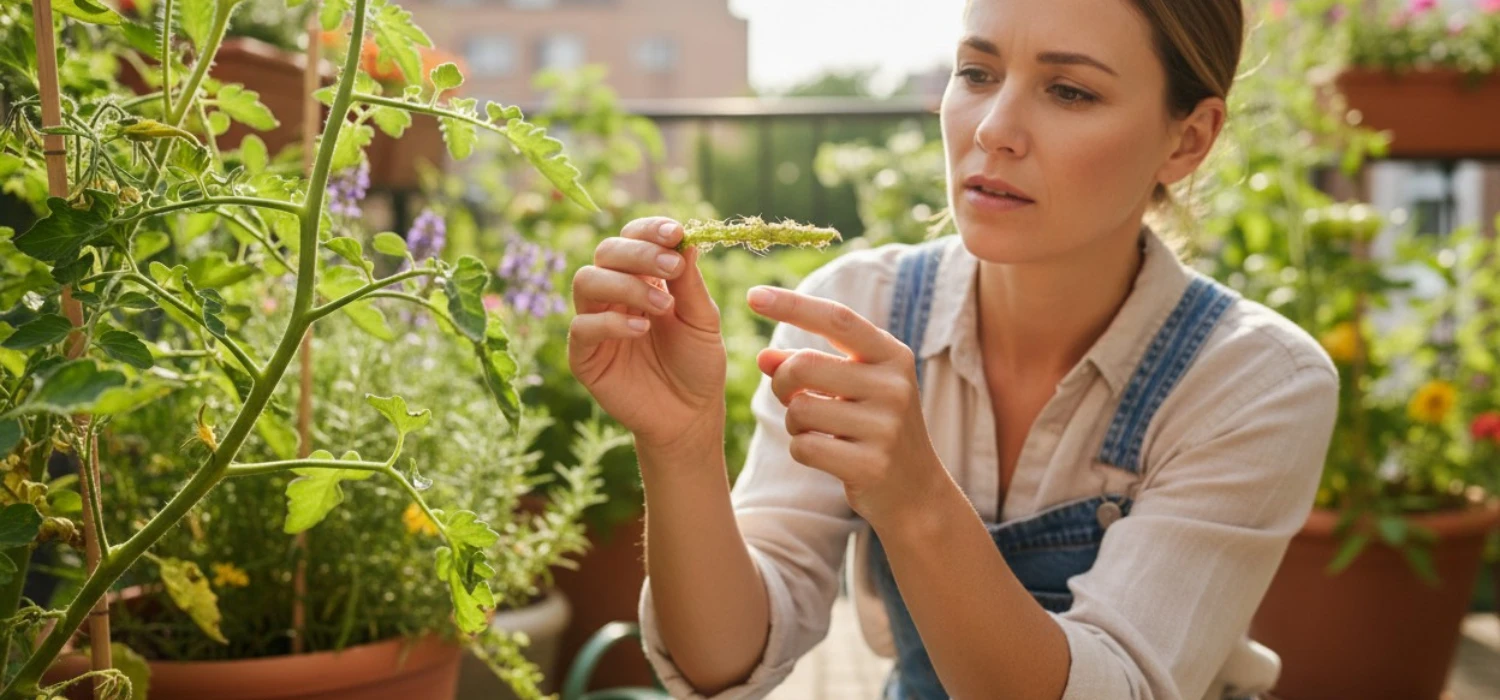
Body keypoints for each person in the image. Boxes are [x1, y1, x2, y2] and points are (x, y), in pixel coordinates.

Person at [567, 0, 1339, 698]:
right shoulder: (856, 309)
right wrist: (681, 445)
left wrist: (916, 500)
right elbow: (721, 662)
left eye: (1070, 90)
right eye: (977, 72)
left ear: (1189, 139)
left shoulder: (1257, 380)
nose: (993, 128)